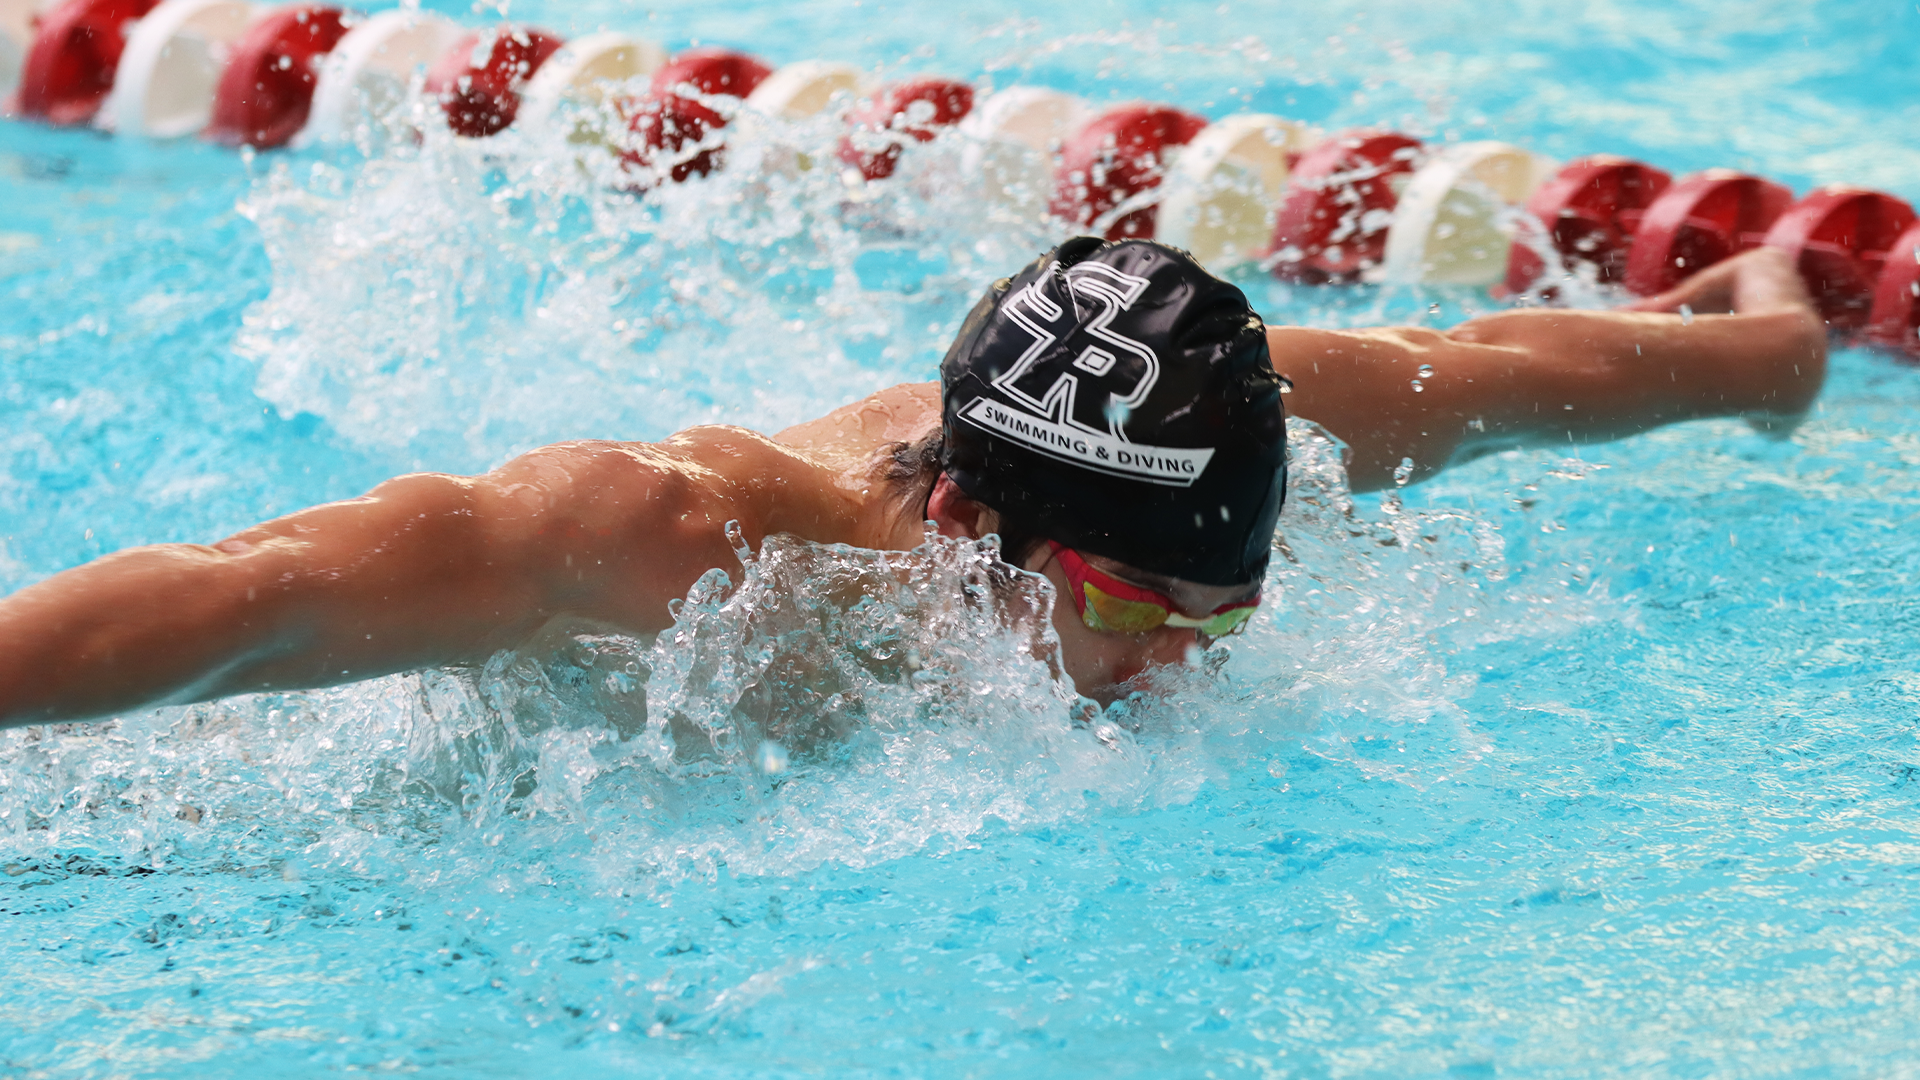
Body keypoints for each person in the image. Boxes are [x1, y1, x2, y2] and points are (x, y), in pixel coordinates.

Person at [0, 237, 1824, 728]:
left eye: (1226, 607)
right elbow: (255, 595)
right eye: (1132, 612)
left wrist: (1768, 339)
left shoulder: (1242, 421)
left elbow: (1524, 372)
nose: (1191, 664)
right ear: (970, 523)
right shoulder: (676, 545)